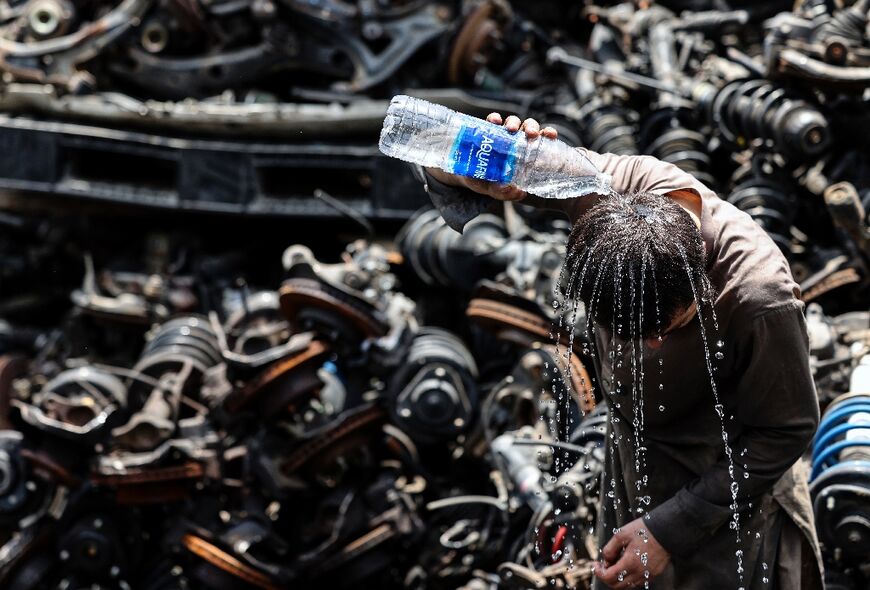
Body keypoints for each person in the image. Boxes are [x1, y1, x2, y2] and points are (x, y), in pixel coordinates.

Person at [416, 113, 824, 590]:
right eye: (626, 332)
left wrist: (669, 527)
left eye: (666, 329)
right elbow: (429, 138)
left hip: (729, 489)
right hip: (633, 459)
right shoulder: (598, 189)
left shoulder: (758, 297)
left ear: (701, 283)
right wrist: (466, 171)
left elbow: (785, 429)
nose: (648, 346)